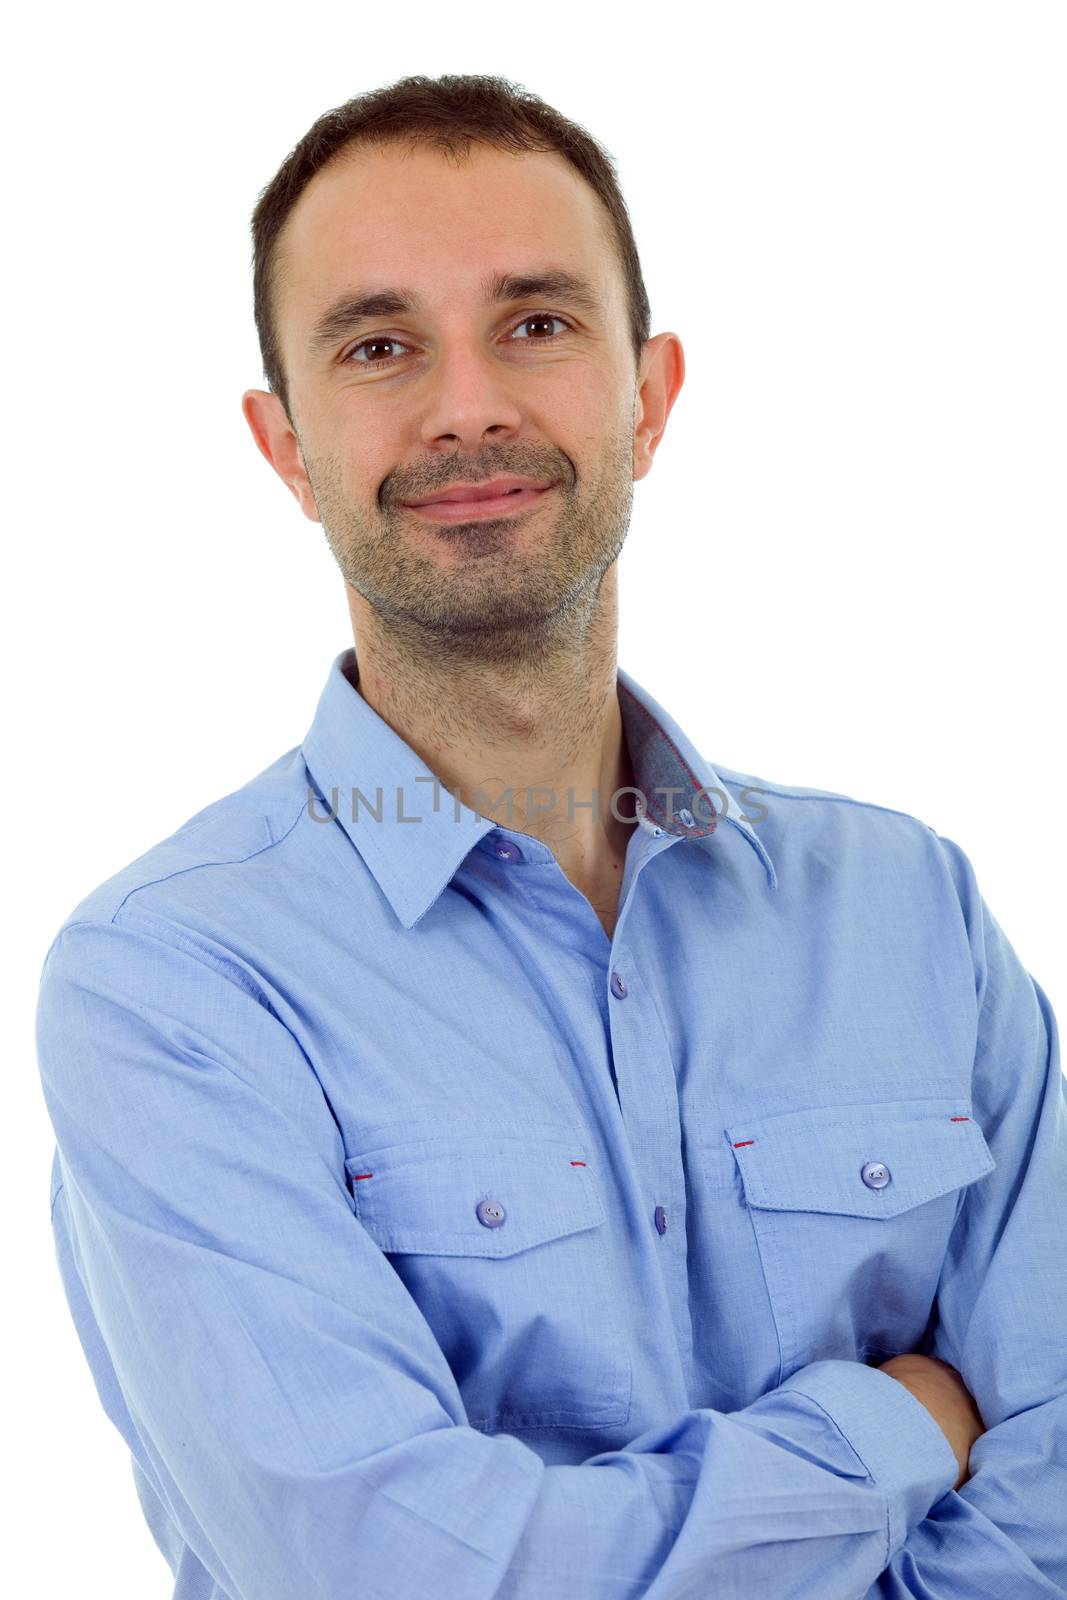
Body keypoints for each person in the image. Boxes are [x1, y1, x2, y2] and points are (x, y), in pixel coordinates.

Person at [35, 72, 1065, 1600]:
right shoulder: (173, 987)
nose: (469, 406)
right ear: (284, 446)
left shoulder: (908, 907)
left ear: (648, 397)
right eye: (380, 346)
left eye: (536, 323)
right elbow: (392, 1570)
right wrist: (895, 1424)